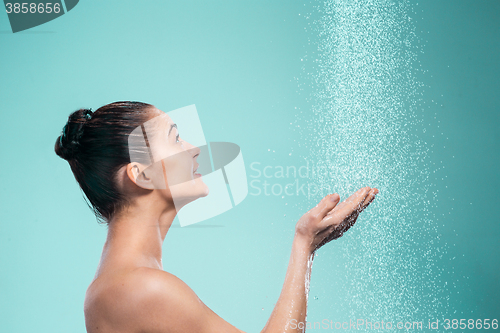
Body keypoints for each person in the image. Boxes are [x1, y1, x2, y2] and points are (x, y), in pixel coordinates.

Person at [55, 101, 378, 333]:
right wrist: (304, 246)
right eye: (175, 138)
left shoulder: (122, 282)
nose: (194, 148)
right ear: (142, 175)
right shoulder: (140, 288)